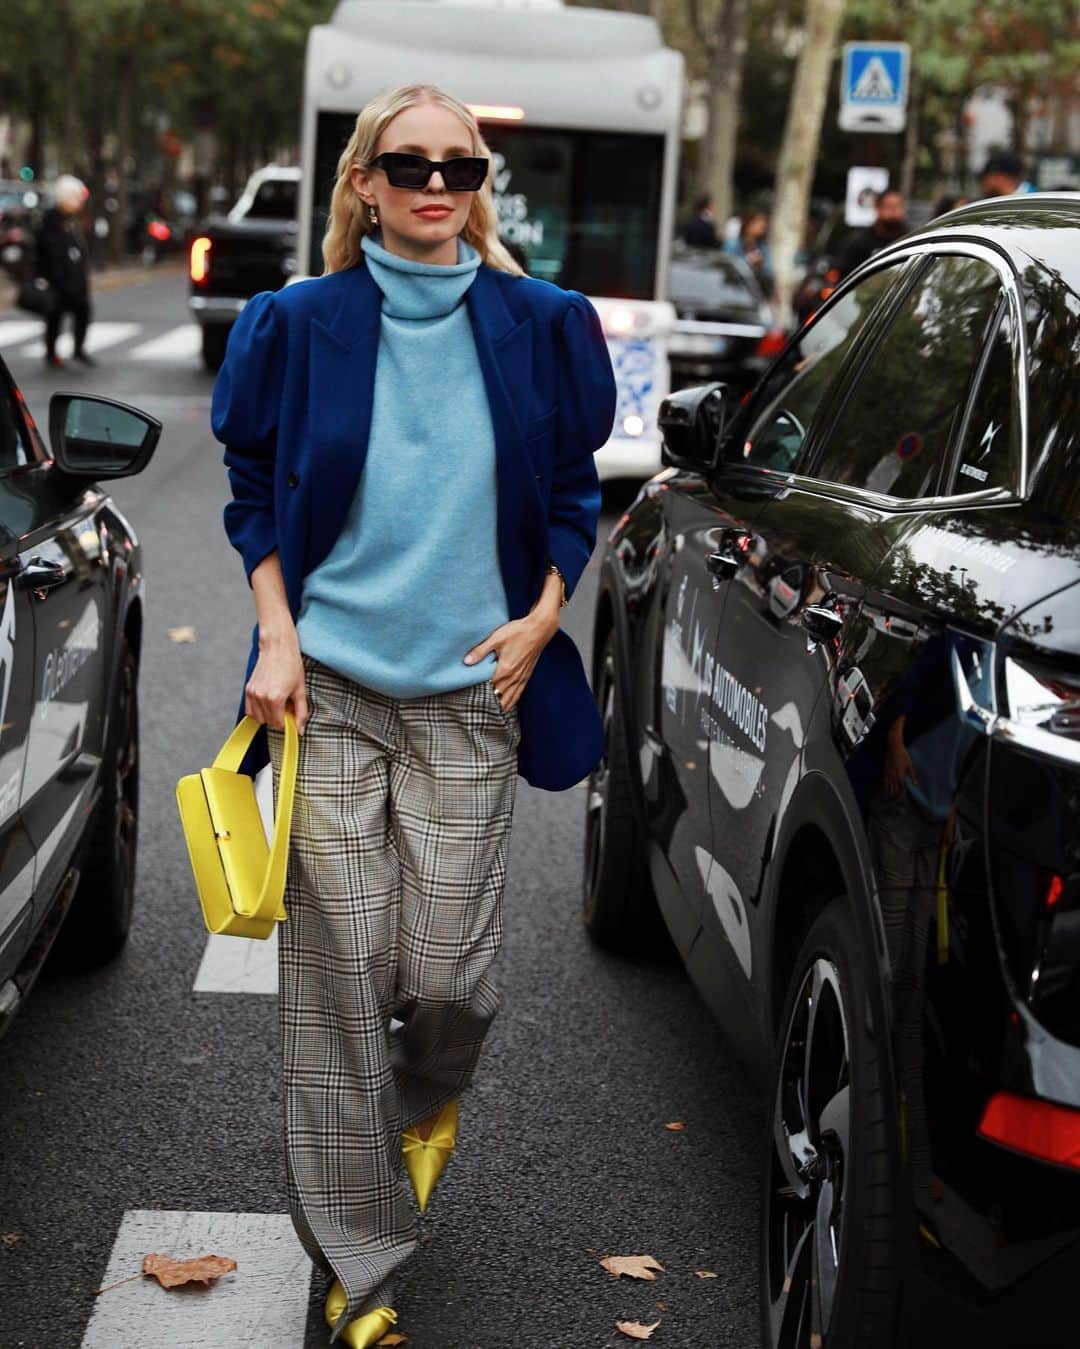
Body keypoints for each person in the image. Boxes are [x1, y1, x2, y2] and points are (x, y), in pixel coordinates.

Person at [210, 82, 615, 1348]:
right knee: (334, 976)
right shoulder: (297, 323)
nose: (439, 183)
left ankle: (427, 1096)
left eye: (463, 164)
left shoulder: (544, 325)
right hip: (326, 688)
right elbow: (248, 486)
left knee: (451, 978)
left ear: (482, 183)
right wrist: (277, 634)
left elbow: (568, 490)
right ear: (365, 184)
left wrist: (548, 609)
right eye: (411, 163)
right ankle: (360, 1263)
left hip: (471, 695)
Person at [35, 173, 93, 368]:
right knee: (54, 316)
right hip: (58, 280)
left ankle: (78, 349)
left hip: (74, 279)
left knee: (82, 312)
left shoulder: (73, 219)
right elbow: (51, 253)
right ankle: (51, 353)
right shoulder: (52, 220)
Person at [834, 186, 909, 280]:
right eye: (889, 206)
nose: (894, 212)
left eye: (898, 206)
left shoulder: (910, 240)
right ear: (877, 208)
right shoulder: (860, 244)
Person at [723, 208, 774, 292]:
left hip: (754, 293)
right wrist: (748, 262)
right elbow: (726, 270)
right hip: (734, 290)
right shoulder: (732, 245)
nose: (763, 226)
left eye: (764, 224)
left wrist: (761, 265)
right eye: (758, 223)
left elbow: (770, 273)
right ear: (748, 224)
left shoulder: (764, 248)